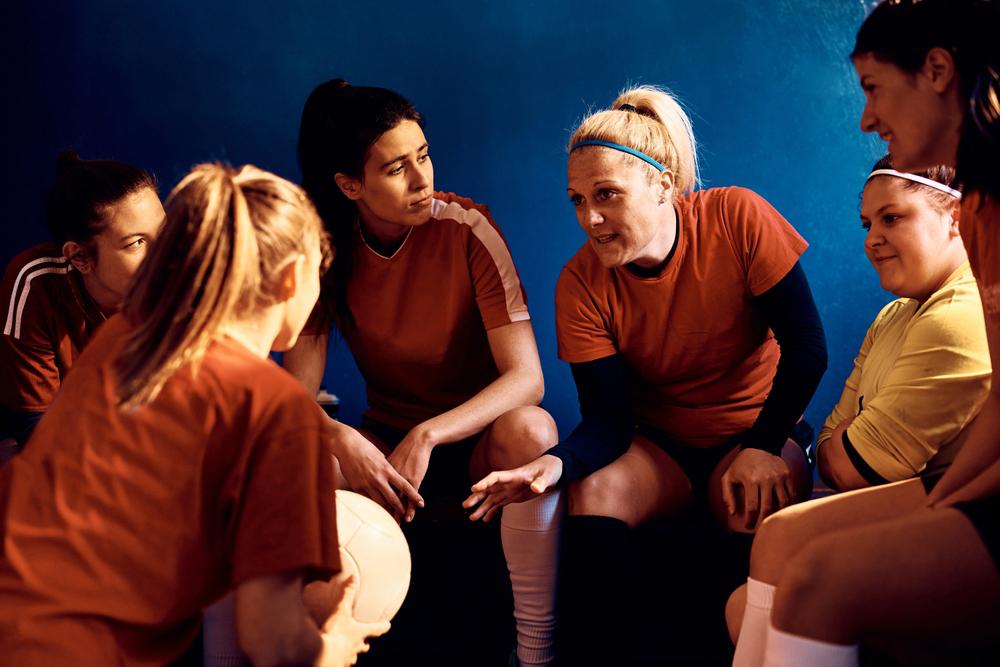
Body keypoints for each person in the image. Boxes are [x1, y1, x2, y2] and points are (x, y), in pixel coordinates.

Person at [465, 84, 827, 662]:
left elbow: (808, 348)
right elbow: (609, 420)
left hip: (754, 432)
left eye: (607, 194)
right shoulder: (580, 282)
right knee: (595, 491)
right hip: (659, 447)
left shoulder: (737, 216)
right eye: (577, 200)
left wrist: (763, 443)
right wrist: (550, 467)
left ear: (664, 185)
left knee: (749, 499)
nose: (591, 218)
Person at [0, 164, 387, 666]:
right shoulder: (277, 410)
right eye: (321, 267)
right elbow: (271, 641)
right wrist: (332, 648)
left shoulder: (126, 338)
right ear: (293, 277)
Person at [730, 2, 1000, 665]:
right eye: (865, 224)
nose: (865, 119)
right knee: (780, 551)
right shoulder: (984, 208)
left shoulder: (964, 276)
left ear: (937, 71)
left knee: (819, 581)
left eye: (874, 89)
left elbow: (850, 460)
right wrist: (943, 500)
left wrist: (941, 507)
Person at [289, 79, 561, 667]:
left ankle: (535, 650)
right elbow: (291, 398)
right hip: (387, 458)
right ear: (349, 185)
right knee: (302, 451)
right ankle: (328, 641)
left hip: (472, 451)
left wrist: (430, 433)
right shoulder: (323, 253)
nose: (422, 180)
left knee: (533, 430)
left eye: (424, 156)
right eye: (396, 169)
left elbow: (527, 378)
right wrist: (344, 438)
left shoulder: (469, 230)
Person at [815, 155, 989, 491]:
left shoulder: (963, 313)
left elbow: (849, 470)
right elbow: (826, 449)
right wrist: (849, 441)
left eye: (891, 218)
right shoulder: (890, 317)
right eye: (868, 225)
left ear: (957, 218)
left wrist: (852, 435)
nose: (871, 240)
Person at [0, 150, 163, 457]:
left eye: (164, 231)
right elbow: (33, 425)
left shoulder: (183, 279)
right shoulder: (36, 282)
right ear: (80, 258)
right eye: (137, 243)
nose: (164, 253)